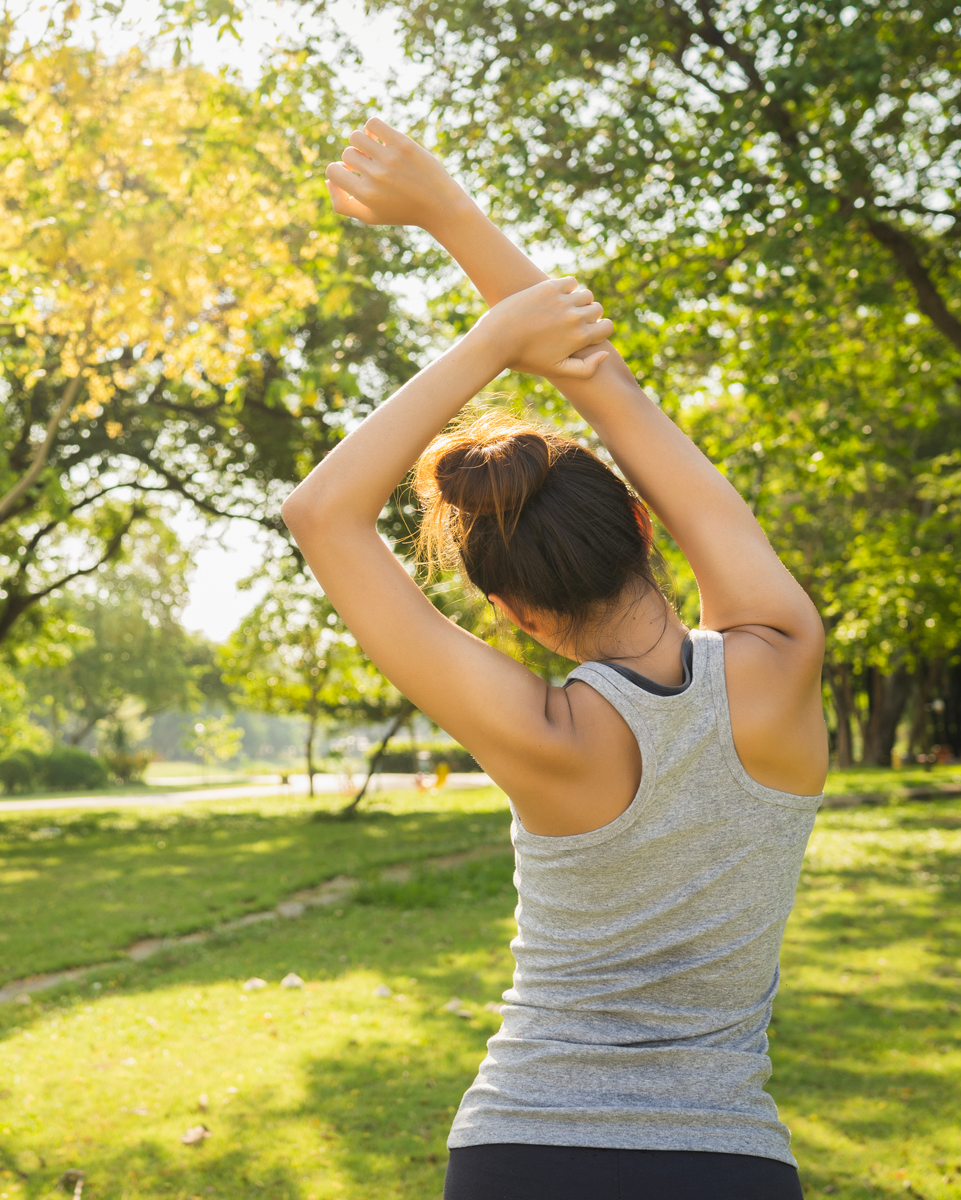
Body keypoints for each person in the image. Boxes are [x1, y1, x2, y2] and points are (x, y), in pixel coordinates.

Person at [281, 119, 827, 1200]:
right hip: (727, 1164)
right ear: (642, 521)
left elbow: (321, 514)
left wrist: (488, 344)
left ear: (515, 614)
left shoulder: (545, 737)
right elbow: (605, 387)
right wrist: (452, 216)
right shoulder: (782, 657)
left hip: (523, 1150)